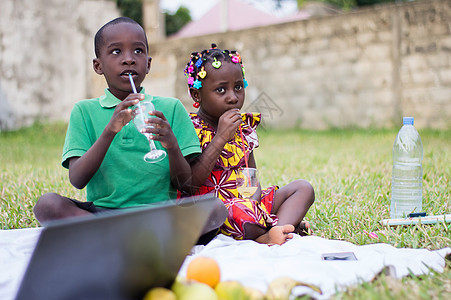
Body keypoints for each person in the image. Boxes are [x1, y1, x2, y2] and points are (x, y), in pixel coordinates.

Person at [33, 18, 226, 238]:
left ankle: (117, 239)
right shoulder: (84, 111)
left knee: (216, 209)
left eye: (138, 51)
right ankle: (136, 239)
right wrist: (110, 131)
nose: (128, 59)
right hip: (104, 214)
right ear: (98, 66)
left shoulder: (171, 108)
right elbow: (77, 180)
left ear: (149, 63)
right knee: (47, 205)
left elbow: (186, 185)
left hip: (160, 214)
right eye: (116, 52)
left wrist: (171, 145)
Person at [184, 44, 315, 245]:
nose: (233, 97)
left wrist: (254, 202)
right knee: (240, 212)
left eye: (238, 87)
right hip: (214, 210)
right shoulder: (191, 129)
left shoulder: (243, 127)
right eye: (221, 90)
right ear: (196, 95)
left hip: (246, 205)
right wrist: (220, 138)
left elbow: (251, 175)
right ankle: (269, 235)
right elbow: (191, 183)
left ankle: (277, 230)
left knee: (303, 188)